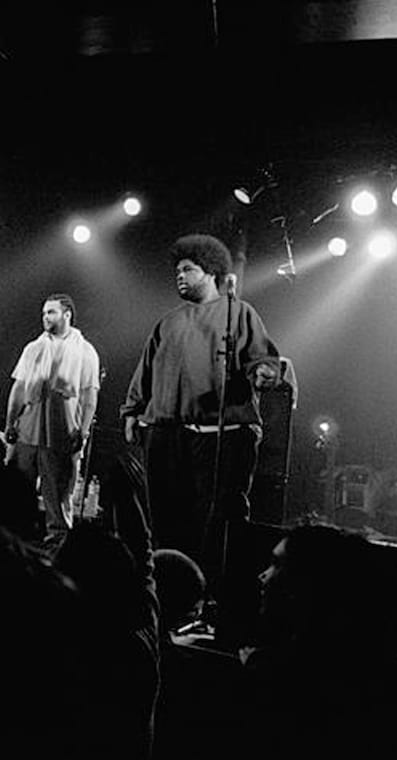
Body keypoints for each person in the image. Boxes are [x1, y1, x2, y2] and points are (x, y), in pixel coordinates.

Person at [120, 234, 284, 581]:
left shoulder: (238, 313)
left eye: (188, 269)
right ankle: (168, 587)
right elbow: (145, 370)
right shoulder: (168, 322)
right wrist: (132, 411)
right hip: (166, 434)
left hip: (219, 436)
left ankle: (211, 595)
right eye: (177, 270)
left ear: (211, 272)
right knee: (163, 516)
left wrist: (264, 373)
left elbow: (261, 359)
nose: (179, 276)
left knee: (217, 520)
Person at [4, 294, 100, 541]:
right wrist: (10, 423)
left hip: (61, 436)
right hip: (28, 433)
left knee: (57, 504)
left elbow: (90, 396)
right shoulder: (33, 347)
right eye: (44, 312)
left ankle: (54, 560)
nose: (45, 317)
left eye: (51, 312)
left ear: (67, 314)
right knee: (16, 499)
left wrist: (84, 431)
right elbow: (19, 388)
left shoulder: (85, 351)